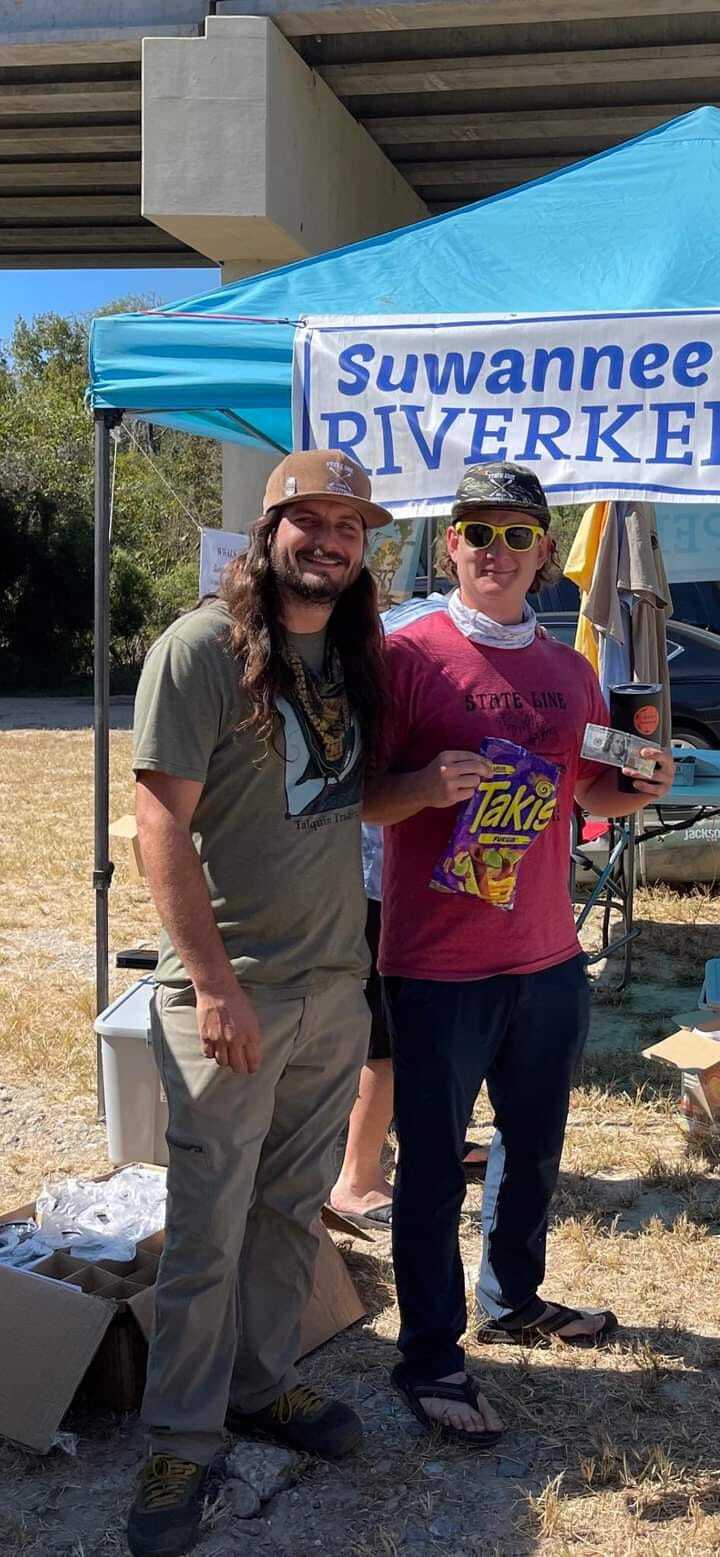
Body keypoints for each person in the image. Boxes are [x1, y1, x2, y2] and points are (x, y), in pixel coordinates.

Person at [365, 461, 674, 1447]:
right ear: (450, 545)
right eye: (476, 532)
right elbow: (357, 797)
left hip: (546, 959)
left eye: (516, 535)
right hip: (437, 966)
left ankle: (516, 1296)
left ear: (544, 555)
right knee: (426, 1175)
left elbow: (588, 793)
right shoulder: (406, 656)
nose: (494, 550)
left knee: (533, 1149)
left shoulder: (570, 672)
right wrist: (424, 785)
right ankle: (431, 1355)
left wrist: (645, 787)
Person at [127, 450, 392, 1557]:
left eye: (350, 526)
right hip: (233, 997)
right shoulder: (199, 649)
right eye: (310, 520)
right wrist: (216, 988)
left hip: (333, 988)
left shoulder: (345, 654)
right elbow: (157, 827)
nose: (329, 540)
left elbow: (324, 796)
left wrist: (414, 792)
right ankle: (180, 1443)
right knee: (207, 1229)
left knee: (292, 1207)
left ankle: (262, 1384)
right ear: (267, 527)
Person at [330, 596, 489, 1232]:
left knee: (443, 1032)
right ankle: (358, 1177)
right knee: (387, 1041)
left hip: (440, 884)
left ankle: (438, 1139)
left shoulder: (429, 634)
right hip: (382, 881)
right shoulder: (404, 644)